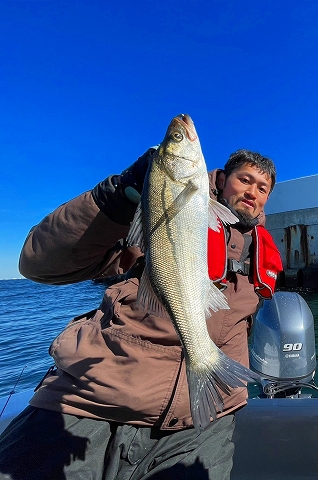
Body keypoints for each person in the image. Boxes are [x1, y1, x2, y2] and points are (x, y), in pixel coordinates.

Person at [0, 143, 283, 479]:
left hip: (199, 421)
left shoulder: (260, 255)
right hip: (88, 400)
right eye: (244, 179)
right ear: (220, 180)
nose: (252, 191)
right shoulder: (155, 216)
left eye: (261, 187)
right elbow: (40, 263)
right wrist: (118, 195)